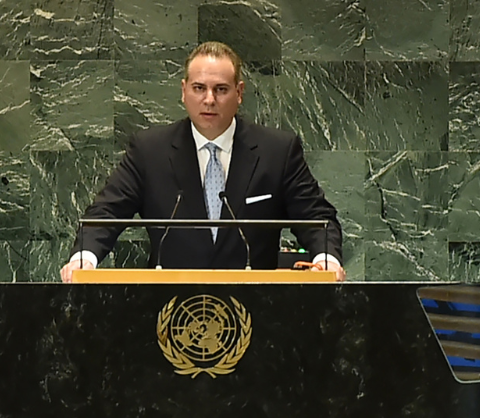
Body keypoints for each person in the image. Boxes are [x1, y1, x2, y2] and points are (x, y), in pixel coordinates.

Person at [60, 41, 345, 282]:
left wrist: (326, 259)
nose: (209, 100)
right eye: (199, 88)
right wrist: (84, 258)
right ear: (183, 91)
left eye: (220, 89)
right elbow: (106, 212)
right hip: (168, 308)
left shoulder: (277, 151)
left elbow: (316, 217)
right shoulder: (149, 151)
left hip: (257, 306)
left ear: (239, 92)